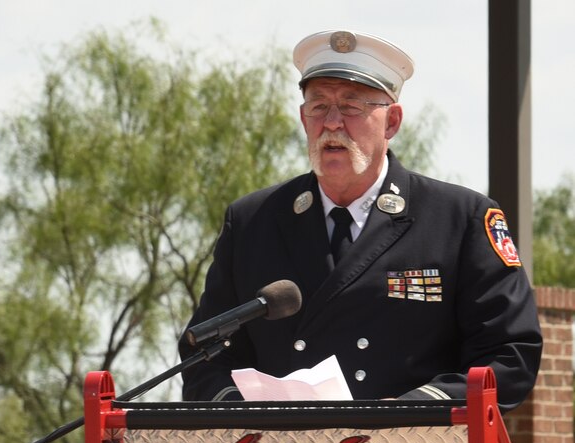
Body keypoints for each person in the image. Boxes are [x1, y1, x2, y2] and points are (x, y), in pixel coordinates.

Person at [179, 29, 542, 411]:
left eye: (351, 106)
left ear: (392, 122)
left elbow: (509, 355)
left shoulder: (459, 219)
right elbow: (206, 357)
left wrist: (408, 414)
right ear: (303, 118)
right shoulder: (253, 221)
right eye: (318, 106)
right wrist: (245, 415)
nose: (332, 122)